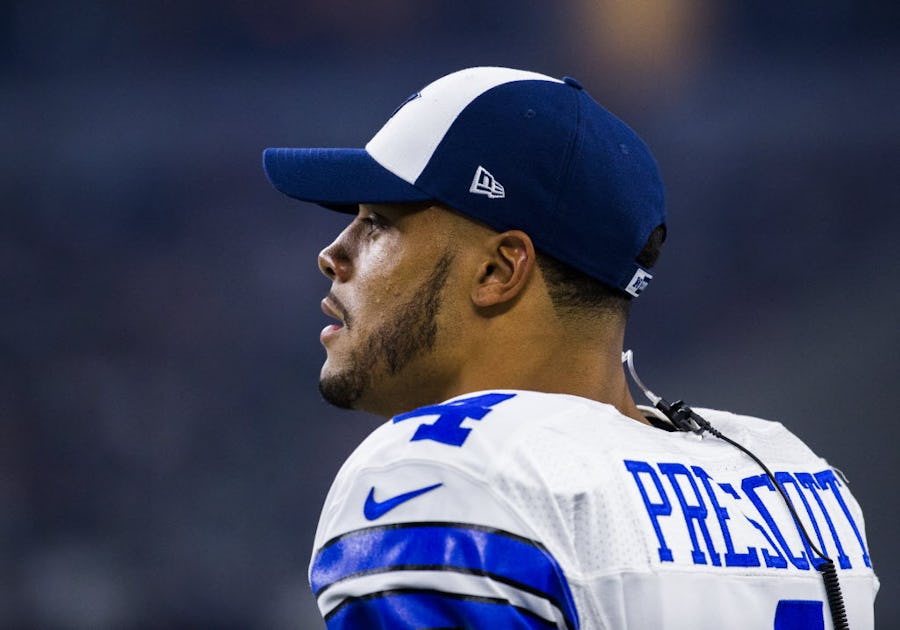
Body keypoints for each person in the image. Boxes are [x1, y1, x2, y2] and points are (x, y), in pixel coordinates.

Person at [263, 67, 878, 629]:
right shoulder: (793, 475)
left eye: (377, 223)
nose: (333, 253)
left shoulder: (441, 469)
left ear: (498, 271)